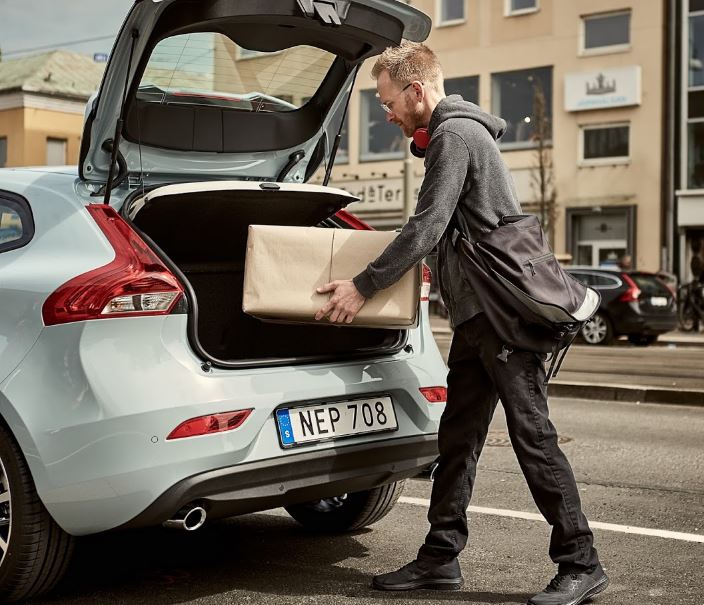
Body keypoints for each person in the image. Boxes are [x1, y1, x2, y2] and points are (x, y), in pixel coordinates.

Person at [314, 41, 608, 605]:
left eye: (387, 100)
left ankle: (581, 560)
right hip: (478, 320)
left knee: (534, 439)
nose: (386, 112)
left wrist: (363, 286)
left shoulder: (455, 135)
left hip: (504, 320)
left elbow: (426, 228)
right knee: (458, 442)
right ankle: (439, 560)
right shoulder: (452, 136)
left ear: (417, 91)